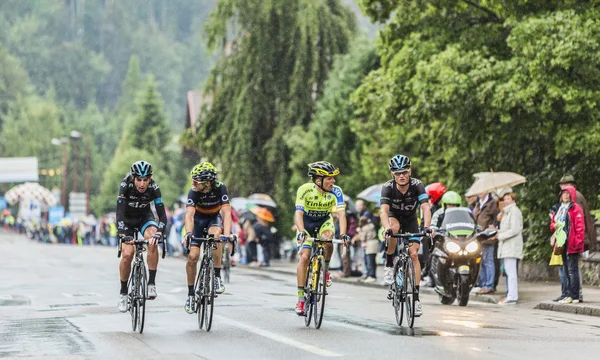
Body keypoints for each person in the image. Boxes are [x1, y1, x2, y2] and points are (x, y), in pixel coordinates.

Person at [294, 161, 350, 316]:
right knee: (304, 258)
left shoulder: (336, 192)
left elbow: (341, 214)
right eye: (329, 178)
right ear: (318, 180)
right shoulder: (304, 190)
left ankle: (325, 268)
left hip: (324, 222)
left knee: (328, 239)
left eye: (333, 178)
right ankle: (300, 299)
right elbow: (298, 214)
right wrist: (301, 231)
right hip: (306, 224)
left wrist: (343, 234)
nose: (333, 181)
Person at [380, 154, 432, 317]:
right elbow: (384, 211)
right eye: (397, 173)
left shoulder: (417, 185)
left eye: (404, 172)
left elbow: (425, 208)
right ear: (392, 174)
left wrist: (427, 227)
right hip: (394, 217)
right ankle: (389, 264)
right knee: (393, 229)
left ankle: (416, 300)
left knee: (414, 254)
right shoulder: (388, 187)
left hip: (410, 220)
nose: (401, 176)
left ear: (409, 171)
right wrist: (386, 228)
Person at [182, 162, 233, 314]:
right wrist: (189, 233)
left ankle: (216, 277)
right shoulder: (193, 192)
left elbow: (226, 213)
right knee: (192, 257)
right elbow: (189, 215)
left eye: (196, 181)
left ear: (208, 183)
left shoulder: (220, 188)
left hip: (213, 220)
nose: (193, 183)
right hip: (197, 222)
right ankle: (191, 295)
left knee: (215, 236)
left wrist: (228, 235)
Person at [116, 160, 167, 312]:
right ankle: (123, 293)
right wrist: (123, 235)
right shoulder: (125, 186)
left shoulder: (154, 188)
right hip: (127, 220)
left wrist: (158, 233)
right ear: (133, 178)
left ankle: (151, 283)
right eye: (139, 179)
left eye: (146, 180)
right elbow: (118, 214)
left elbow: (163, 217)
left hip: (145, 217)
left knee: (152, 241)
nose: (142, 184)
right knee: (127, 254)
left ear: (150, 179)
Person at [550, 186, 585, 304]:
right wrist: (553, 226)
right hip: (562, 243)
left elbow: (580, 227)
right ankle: (568, 294)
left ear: (571, 195)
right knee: (565, 269)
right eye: (563, 193)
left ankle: (574, 295)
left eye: (567, 193)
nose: (565, 195)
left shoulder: (575, 208)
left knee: (572, 270)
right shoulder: (560, 209)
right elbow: (553, 224)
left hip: (572, 243)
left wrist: (577, 242)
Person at [496, 189, 523, 305]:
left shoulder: (515, 212)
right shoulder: (506, 213)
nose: (506, 201)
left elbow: (515, 229)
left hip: (511, 245)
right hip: (506, 246)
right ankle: (510, 295)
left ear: (513, 200)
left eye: (508, 199)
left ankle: (512, 296)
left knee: (511, 272)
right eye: (504, 199)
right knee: (508, 271)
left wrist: (501, 235)